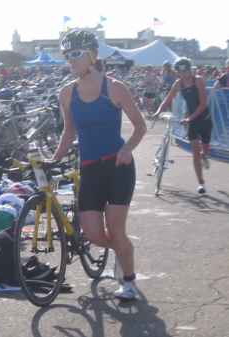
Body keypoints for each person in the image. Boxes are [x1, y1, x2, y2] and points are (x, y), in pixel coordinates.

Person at [52, 30, 147, 300]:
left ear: (92, 54)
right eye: (66, 55)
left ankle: (128, 280)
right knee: (93, 233)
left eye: (75, 54)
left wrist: (128, 148)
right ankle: (122, 251)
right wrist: (54, 160)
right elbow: (68, 132)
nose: (70, 60)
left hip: (118, 167)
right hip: (90, 169)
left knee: (116, 230)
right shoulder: (66, 93)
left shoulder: (114, 87)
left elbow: (140, 125)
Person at [153, 57, 212, 194]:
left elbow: (203, 104)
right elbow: (167, 100)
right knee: (195, 151)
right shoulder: (179, 83)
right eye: (180, 72)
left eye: (185, 71)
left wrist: (190, 118)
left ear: (190, 70)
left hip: (204, 119)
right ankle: (201, 183)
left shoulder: (198, 80)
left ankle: (205, 156)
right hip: (191, 121)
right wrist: (157, 112)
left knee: (205, 149)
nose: (183, 75)